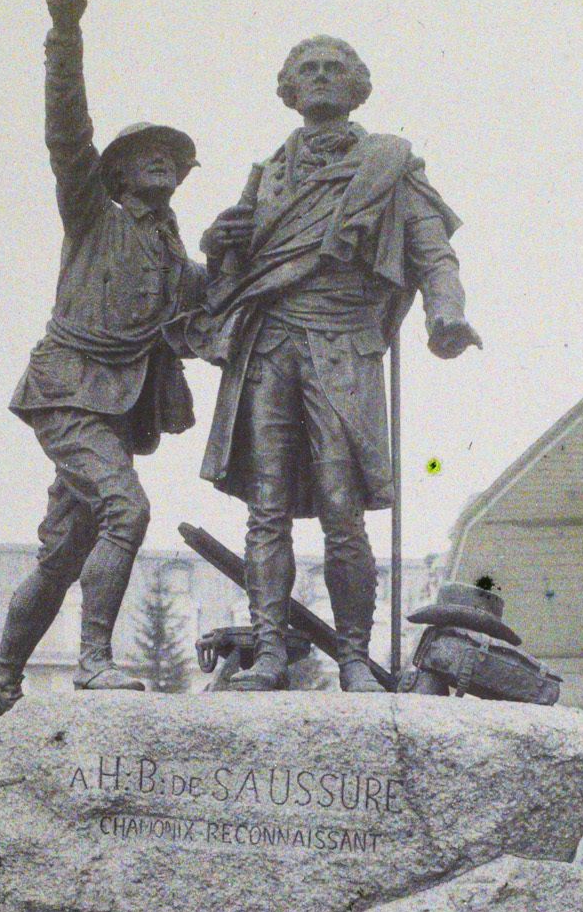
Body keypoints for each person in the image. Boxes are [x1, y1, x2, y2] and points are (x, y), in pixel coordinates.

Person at [196, 36, 480, 693]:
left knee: (340, 505)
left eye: (334, 69)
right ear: (288, 89)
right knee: (264, 507)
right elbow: (233, 280)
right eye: (307, 71)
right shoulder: (263, 174)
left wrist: (446, 314)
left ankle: (353, 653)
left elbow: (433, 252)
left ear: (357, 86)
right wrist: (218, 248)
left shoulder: (388, 164)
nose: (321, 79)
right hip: (268, 346)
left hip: (345, 344)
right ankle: (269, 652)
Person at [0, 0, 205, 718]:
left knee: (66, 551)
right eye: (147, 154)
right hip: (67, 390)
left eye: (172, 155)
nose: (162, 160)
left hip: (113, 409)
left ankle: (1, 676)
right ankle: (95, 663)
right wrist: (64, 33)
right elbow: (67, 130)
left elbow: (216, 314)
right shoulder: (92, 216)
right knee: (126, 514)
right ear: (117, 173)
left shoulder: (177, 258)